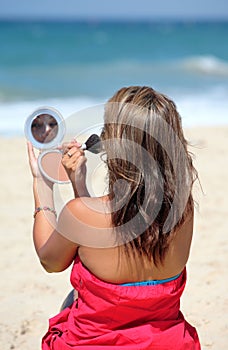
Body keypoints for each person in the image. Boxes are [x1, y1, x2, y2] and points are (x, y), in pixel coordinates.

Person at [27, 86, 201, 349]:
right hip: (167, 342)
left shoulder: (81, 213)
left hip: (92, 343)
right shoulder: (181, 211)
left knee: (71, 300)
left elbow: (50, 261)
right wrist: (79, 185)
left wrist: (43, 183)